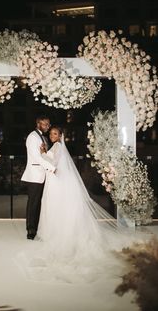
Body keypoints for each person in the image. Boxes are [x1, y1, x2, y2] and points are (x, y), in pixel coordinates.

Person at [17, 126, 150, 283]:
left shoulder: (58, 147)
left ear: (60, 136)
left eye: (55, 134)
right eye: (51, 133)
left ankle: (55, 233)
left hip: (55, 182)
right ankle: (51, 231)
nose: (52, 135)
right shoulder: (56, 146)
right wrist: (45, 152)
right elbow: (52, 160)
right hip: (53, 182)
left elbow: (55, 164)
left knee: (53, 207)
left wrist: (43, 154)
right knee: (51, 206)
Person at [21, 115, 56, 240]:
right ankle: (30, 230)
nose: (48, 126)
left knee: (38, 203)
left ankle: (36, 227)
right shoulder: (32, 137)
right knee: (33, 203)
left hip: (42, 174)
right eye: (45, 124)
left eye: (48, 124)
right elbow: (36, 157)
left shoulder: (42, 137)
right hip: (35, 175)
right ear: (38, 123)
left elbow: (44, 154)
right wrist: (52, 168)